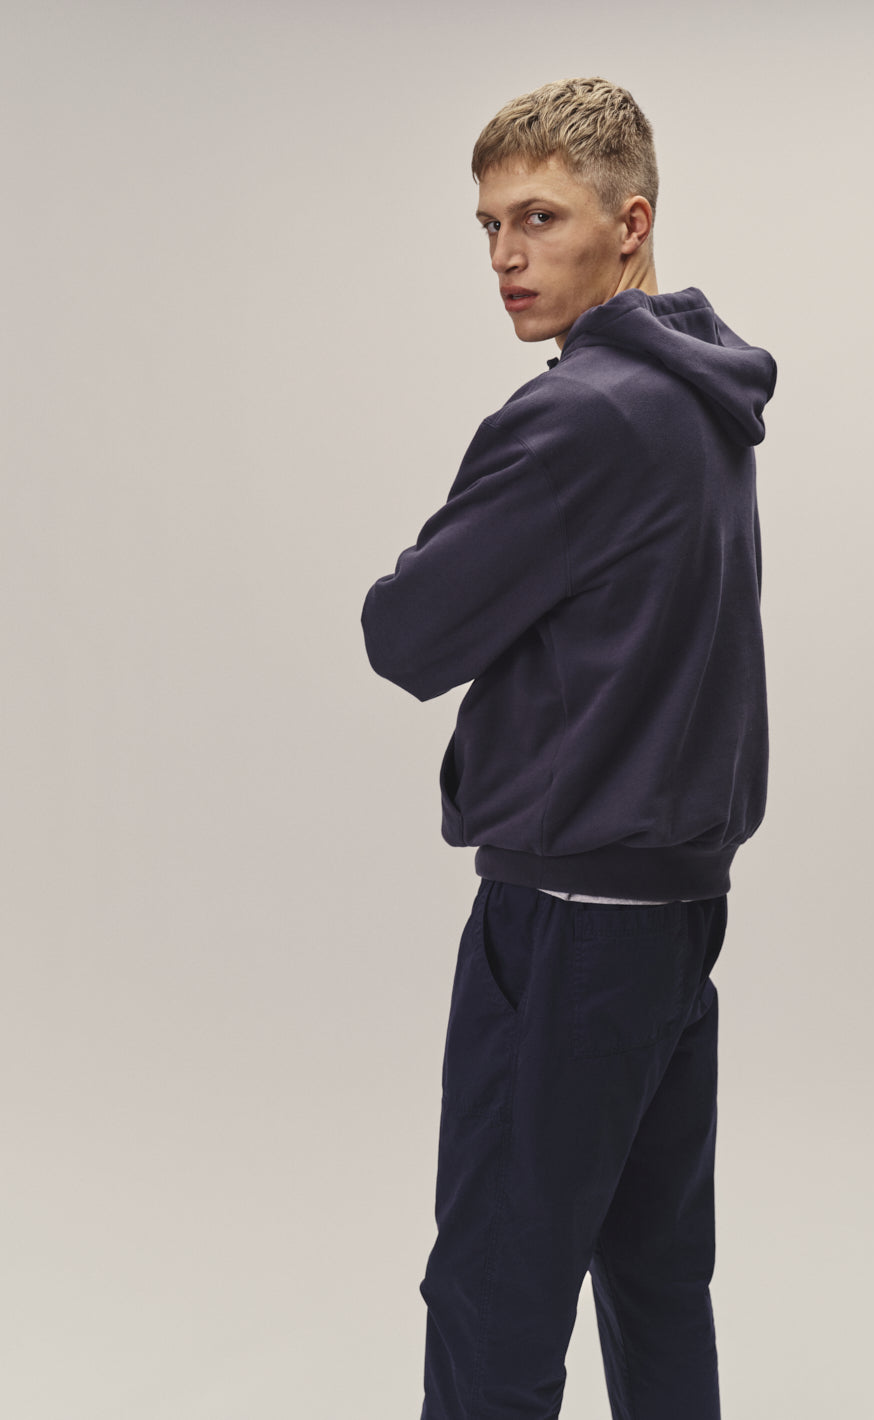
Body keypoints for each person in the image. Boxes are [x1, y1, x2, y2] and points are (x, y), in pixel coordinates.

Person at [362, 76, 776, 1420]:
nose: (505, 255)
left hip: (564, 923)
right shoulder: (702, 404)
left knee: (495, 1290)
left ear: (629, 223)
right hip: (675, 916)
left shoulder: (577, 417)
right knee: (653, 1281)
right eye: (489, 225)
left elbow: (404, 634)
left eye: (538, 218)